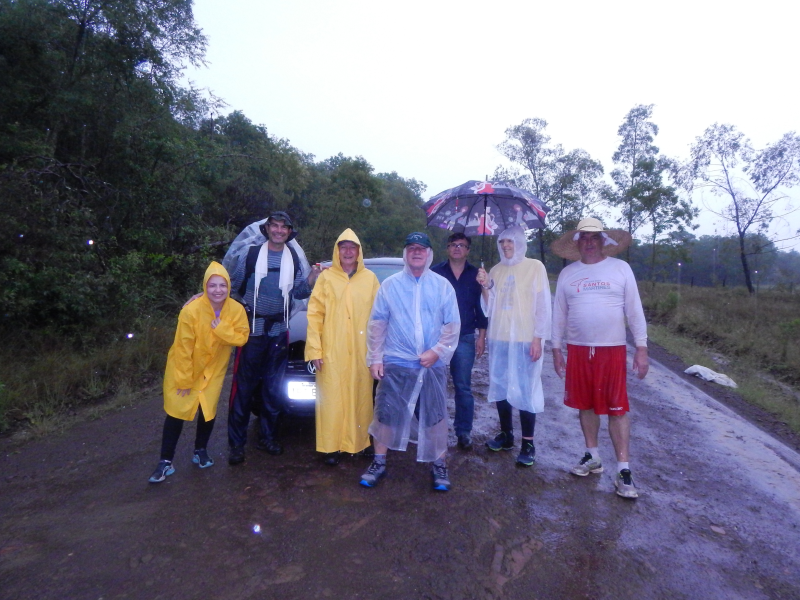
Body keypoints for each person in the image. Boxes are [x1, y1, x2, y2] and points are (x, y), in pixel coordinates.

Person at [550, 217, 649, 499]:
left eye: (595, 238)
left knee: (617, 408)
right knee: (586, 404)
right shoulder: (569, 274)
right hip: (578, 348)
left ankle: (624, 469)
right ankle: (592, 455)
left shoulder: (620, 269)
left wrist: (641, 348)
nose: (590, 243)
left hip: (612, 348)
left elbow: (634, 310)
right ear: (577, 242)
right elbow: (560, 313)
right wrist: (556, 348)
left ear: (603, 241)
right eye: (585, 238)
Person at [360, 232, 460, 491]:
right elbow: (378, 324)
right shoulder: (390, 285)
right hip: (397, 362)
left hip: (432, 364)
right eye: (412, 248)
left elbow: (452, 325)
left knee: (435, 417)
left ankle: (439, 466)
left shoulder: (442, 286)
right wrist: (375, 357)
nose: (417, 252)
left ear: (429, 254)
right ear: (406, 253)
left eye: (422, 248)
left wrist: (438, 351)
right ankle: (378, 462)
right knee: (386, 414)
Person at [227, 211, 320, 465]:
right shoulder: (251, 255)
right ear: (267, 229)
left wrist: (311, 278)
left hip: (279, 329)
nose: (279, 230)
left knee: (272, 387)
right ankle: (236, 444)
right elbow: (232, 287)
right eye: (275, 226)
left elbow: (299, 292)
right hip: (252, 329)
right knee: (243, 388)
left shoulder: (293, 258)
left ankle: (268, 437)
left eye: (284, 227)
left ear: (289, 232)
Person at [149, 262, 249, 483]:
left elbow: (242, 337)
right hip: (185, 368)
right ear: (205, 286)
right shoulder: (191, 310)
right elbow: (183, 347)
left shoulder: (236, 309)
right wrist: (184, 379)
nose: (217, 290)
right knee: (176, 411)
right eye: (212, 285)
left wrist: (221, 329)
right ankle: (165, 461)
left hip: (213, 371)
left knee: (207, 410)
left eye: (222, 285)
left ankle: (200, 450)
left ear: (228, 286)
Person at [476, 226, 551, 467]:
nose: (506, 246)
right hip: (499, 338)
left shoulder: (534, 267)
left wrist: (538, 337)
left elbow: (542, 305)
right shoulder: (496, 270)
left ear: (520, 243)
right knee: (501, 386)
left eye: (510, 241)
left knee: (526, 389)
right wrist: (485, 286)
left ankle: (528, 443)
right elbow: (490, 308)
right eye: (502, 242)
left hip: (525, 339)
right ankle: (507, 435)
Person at [305, 229, 380, 466]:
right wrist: (315, 350)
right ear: (337, 251)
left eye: (352, 247)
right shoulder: (326, 279)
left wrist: (378, 352)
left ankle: (359, 443)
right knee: (332, 398)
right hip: (332, 350)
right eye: (343, 247)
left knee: (361, 397)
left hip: (361, 350)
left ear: (359, 251)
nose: (348, 252)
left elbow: (380, 318)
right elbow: (315, 314)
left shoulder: (370, 279)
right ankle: (331, 447)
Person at [431, 233, 488, 450]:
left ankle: (463, 431)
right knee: (434, 384)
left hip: (464, 337)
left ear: (468, 250)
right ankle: (432, 427)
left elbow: (481, 307)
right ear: (447, 248)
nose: (457, 248)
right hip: (437, 337)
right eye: (453, 245)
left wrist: (481, 336)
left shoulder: (477, 275)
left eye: (462, 245)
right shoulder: (435, 272)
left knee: (463, 386)